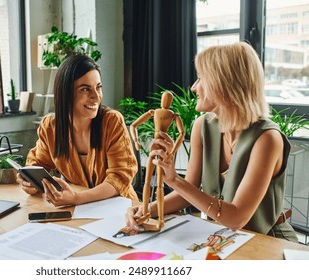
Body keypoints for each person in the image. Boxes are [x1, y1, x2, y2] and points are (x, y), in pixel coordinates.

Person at [125, 42, 298, 242]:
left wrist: (173, 179)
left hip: (269, 241)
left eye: (200, 78)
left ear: (223, 84)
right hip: (227, 240)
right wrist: (146, 210)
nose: (193, 87)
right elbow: (185, 193)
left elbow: (236, 218)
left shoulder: (267, 139)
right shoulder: (202, 126)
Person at [22, 54, 139, 206]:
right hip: (78, 210)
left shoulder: (111, 121)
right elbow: (38, 163)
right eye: (85, 89)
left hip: (119, 208)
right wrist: (30, 181)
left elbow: (119, 178)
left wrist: (76, 198)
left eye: (98, 87)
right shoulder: (51, 126)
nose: (96, 97)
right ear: (66, 93)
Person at [128, 91, 185, 231]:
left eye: (168, 99)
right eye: (164, 98)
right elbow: (133, 126)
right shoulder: (155, 112)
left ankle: (160, 219)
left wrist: (172, 151)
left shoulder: (173, 115)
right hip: (155, 146)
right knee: (147, 182)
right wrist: (135, 141)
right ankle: (146, 212)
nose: (165, 101)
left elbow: (182, 133)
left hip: (163, 148)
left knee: (159, 184)